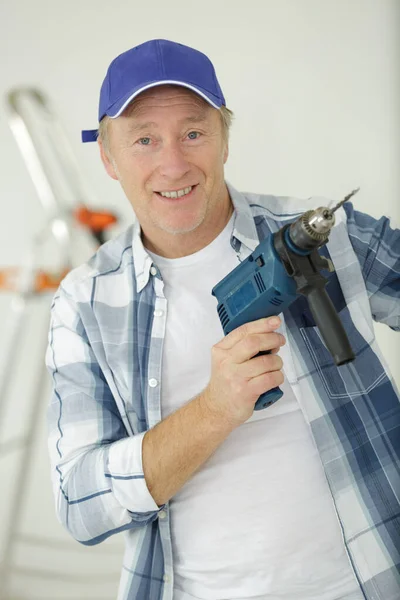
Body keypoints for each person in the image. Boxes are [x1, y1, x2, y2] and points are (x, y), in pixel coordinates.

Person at [46, 39, 400, 600]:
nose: (173, 163)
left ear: (224, 140)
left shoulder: (327, 237)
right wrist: (215, 410)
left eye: (193, 133)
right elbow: (80, 506)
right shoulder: (84, 303)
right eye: (144, 139)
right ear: (109, 159)